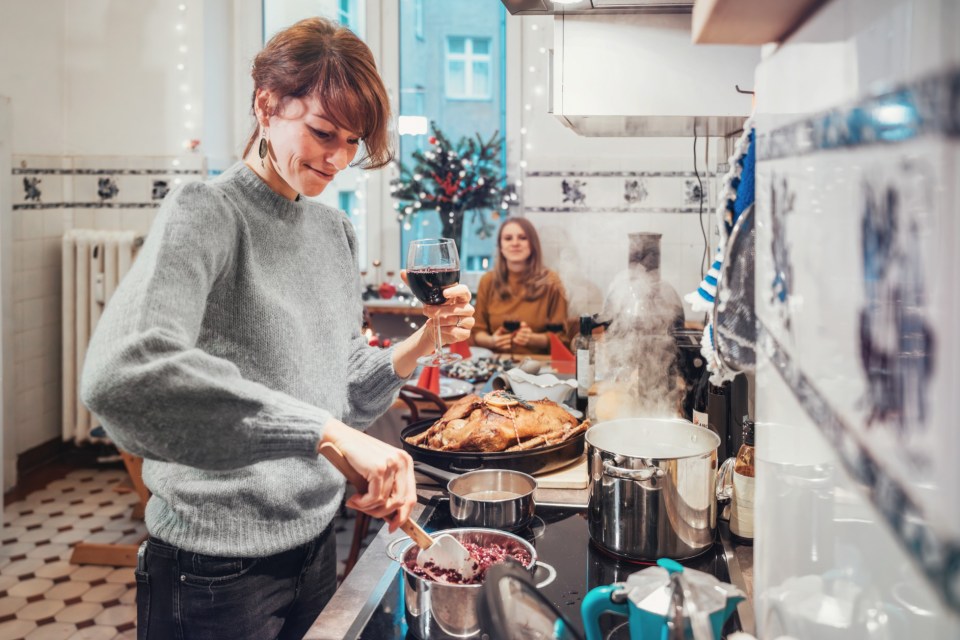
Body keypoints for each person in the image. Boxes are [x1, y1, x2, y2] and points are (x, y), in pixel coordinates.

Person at [80, 17, 475, 640]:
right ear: (267, 106)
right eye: (323, 132)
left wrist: (424, 341)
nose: (338, 158)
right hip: (213, 572)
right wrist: (324, 432)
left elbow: (340, 387)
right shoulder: (206, 213)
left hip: (314, 549)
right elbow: (123, 374)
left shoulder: (333, 233)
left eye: (353, 142)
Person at [471, 217, 568, 355]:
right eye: (508, 238)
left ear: (533, 244)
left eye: (522, 238)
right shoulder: (487, 281)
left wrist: (532, 339)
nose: (515, 243)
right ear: (501, 246)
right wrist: (492, 341)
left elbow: (562, 339)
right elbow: (477, 333)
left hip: (539, 366)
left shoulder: (551, 282)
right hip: (497, 363)